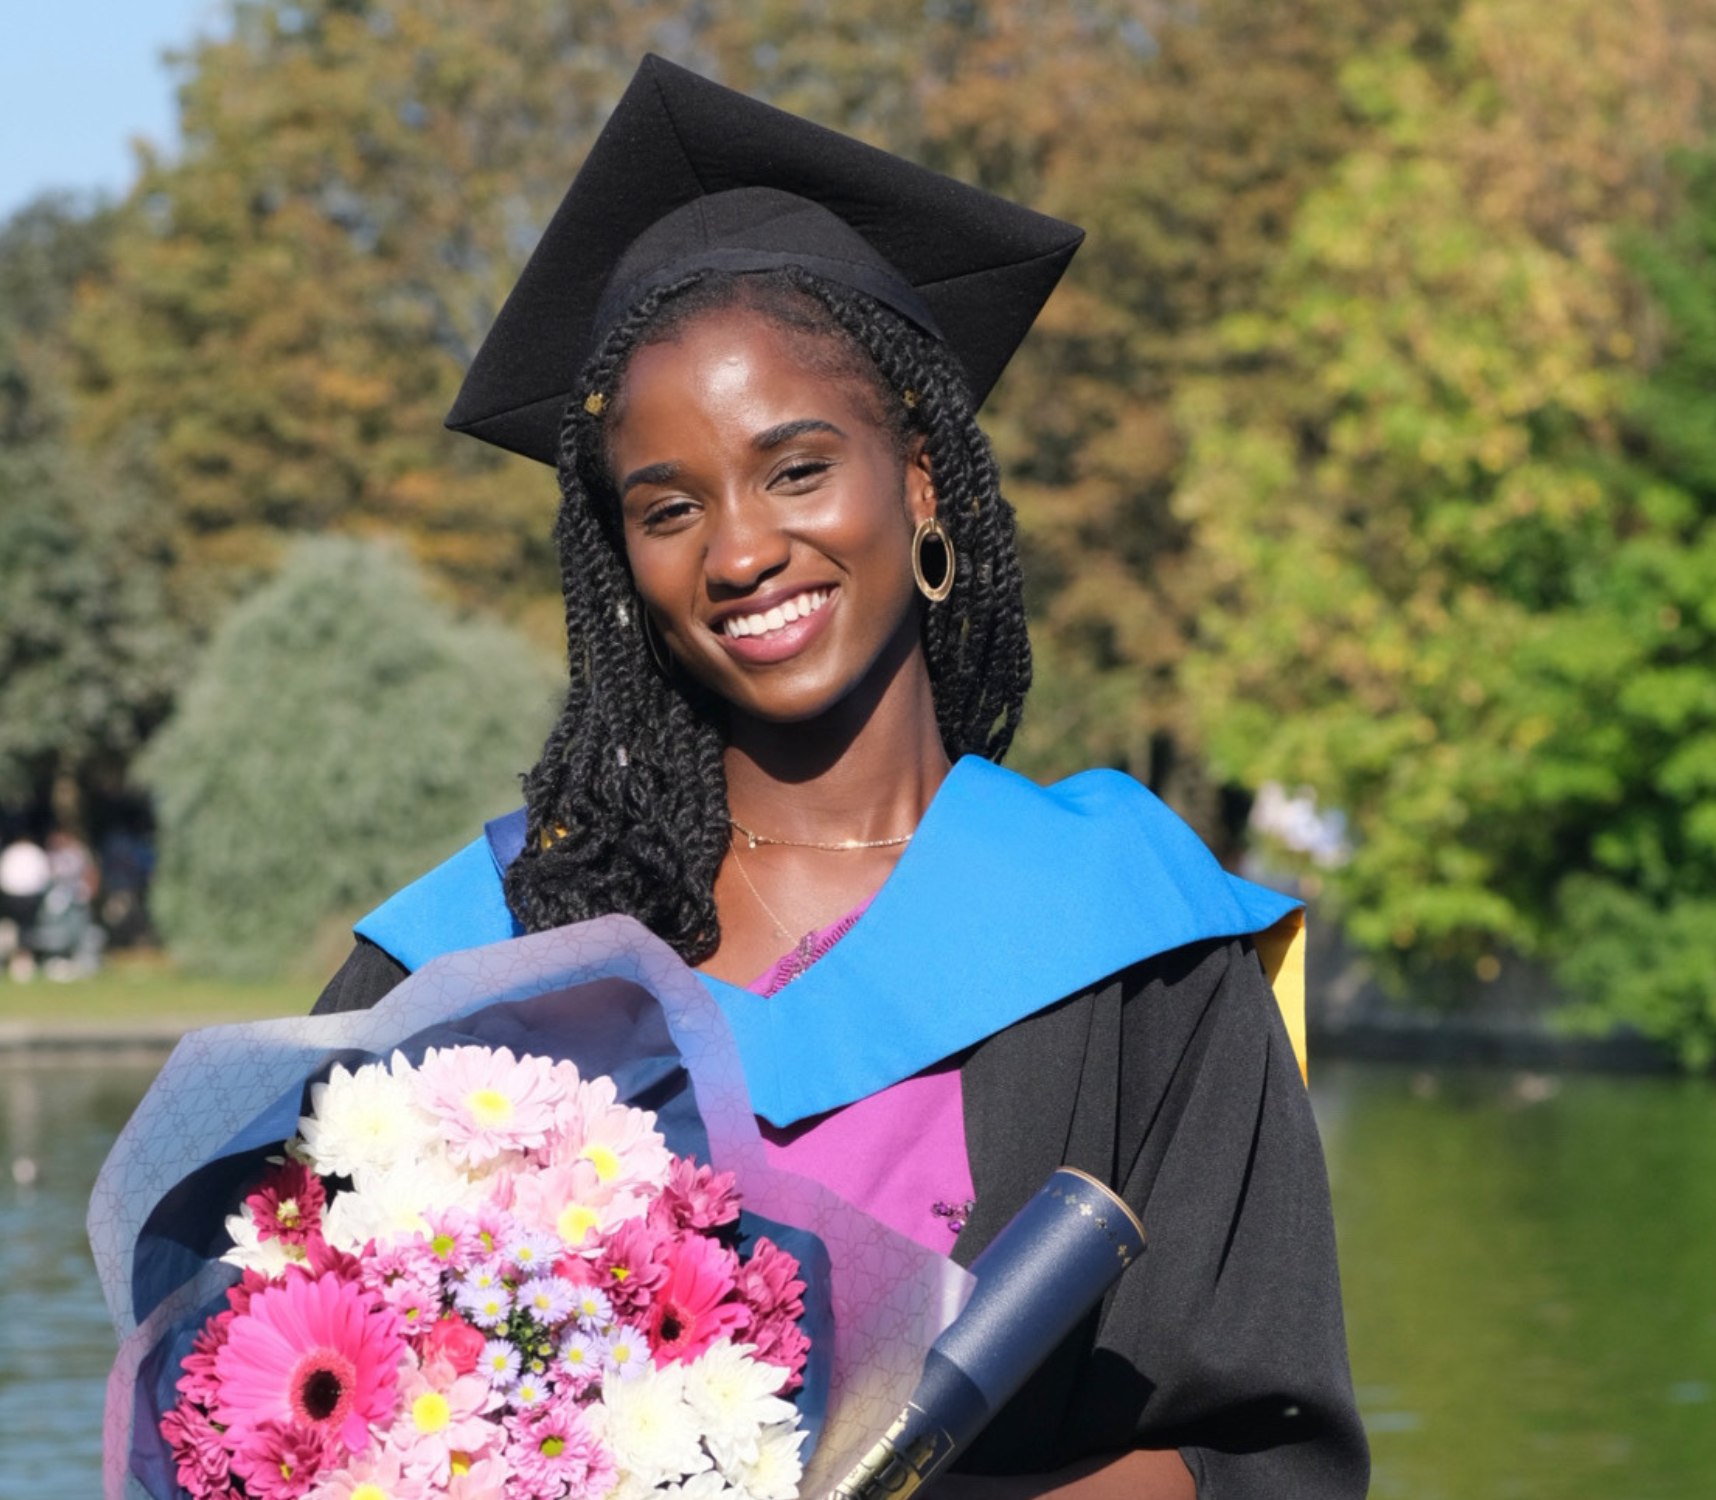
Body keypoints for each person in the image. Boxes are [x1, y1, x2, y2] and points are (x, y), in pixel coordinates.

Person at [314, 57, 1366, 1499]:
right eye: (667, 507)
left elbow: (1261, 1452)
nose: (739, 551)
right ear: (619, 561)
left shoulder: (1129, 933)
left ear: (922, 478)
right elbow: (286, 1383)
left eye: (796, 469)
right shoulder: (488, 946)